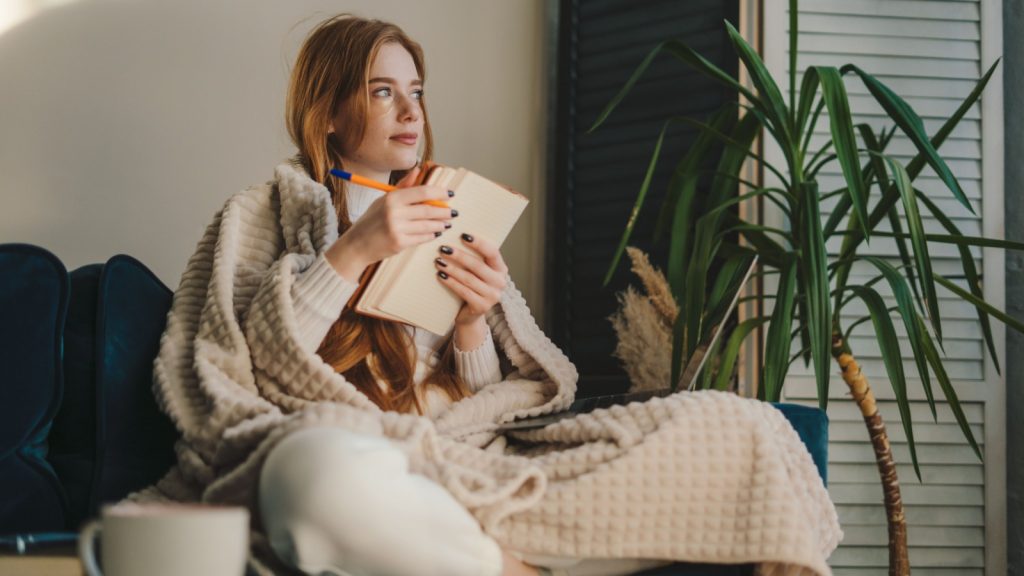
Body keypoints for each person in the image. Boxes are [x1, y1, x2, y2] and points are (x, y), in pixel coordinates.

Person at [253, 13, 668, 576]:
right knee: (305, 473)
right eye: (383, 92)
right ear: (326, 113)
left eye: (416, 92)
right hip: (366, 455)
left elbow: (485, 413)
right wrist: (354, 251)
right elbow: (258, 364)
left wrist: (473, 323)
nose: (410, 112)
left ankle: (478, 551)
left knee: (715, 430)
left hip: (464, 457)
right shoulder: (267, 217)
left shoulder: (442, 215)